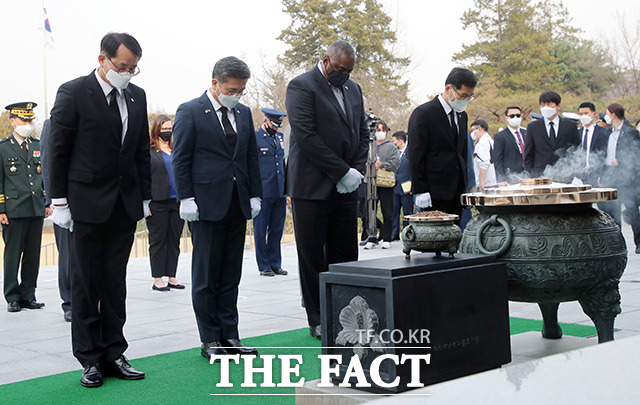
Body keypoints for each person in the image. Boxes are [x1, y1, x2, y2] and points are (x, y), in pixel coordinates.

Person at [49, 32, 150, 388]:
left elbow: (140, 151)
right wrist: (58, 200)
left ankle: (114, 352)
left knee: (115, 283)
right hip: (85, 203)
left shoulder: (136, 95)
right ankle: (89, 358)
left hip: (124, 204)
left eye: (133, 68)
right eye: (123, 66)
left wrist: (146, 197)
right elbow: (56, 149)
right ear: (103, 59)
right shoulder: (74, 92)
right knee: (86, 284)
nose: (127, 73)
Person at [172, 56, 261, 360]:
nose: (236, 95)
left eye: (241, 90)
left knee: (230, 274)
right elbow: (181, 158)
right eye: (232, 89)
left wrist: (255, 194)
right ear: (215, 83)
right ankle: (209, 337)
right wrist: (185, 198)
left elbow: (250, 157)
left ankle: (230, 335)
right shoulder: (191, 111)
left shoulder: (244, 113)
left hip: (237, 202)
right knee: (207, 275)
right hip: (205, 205)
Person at [286, 40, 369, 340]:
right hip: (311, 186)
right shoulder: (302, 86)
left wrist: (355, 170)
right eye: (339, 69)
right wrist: (340, 171)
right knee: (312, 256)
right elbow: (306, 136)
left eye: (348, 70)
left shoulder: (353, 89)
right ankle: (318, 316)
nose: (343, 75)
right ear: (326, 61)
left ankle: (348, 313)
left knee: (346, 253)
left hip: (346, 186)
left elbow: (362, 132)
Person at [408, 67, 477, 219]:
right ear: (448, 89)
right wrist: (420, 189)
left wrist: (465, 186)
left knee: (454, 236)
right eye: (463, 95)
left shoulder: (462, 115)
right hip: (433, 190)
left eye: (470, 97)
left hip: (457, 190)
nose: (465, 100)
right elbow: (415, 153)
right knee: (434, 239)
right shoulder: (424, 113)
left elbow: (462, 153)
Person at [1, 102, 48, 313]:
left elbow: (43, 176)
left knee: (32, 255)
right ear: (13, 121)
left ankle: (28, 294)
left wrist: (46, 201)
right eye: (23, 120)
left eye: (30, 120)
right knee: (13, 254)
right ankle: (12, 296)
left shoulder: (37, 145)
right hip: (14, 209)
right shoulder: (3, 147)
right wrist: (1, 208)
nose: (28, 124)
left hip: (35, 207)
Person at [147, 115, 185, 291]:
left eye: (170, 129)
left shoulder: (175, 149)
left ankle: (172, 276)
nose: (167, 132)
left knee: (173, 240)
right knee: (158, 241)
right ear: (156, 130)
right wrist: (145, 203)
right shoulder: (150, 151)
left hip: (176, 201)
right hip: (157, 202)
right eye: (164, 129)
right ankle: (157, 278)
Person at [40, 119, 72, 322]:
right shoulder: (53, 124)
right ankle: (69, 303)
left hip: (93, 201)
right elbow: (47, 163)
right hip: (65, 201)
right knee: (68, 257)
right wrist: (54, 201)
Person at [599, 103, 640, 253]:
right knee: (613, 210)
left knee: (632, 209)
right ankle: (617, 243)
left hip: (627, 177)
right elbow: (605, 156)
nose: (606, 116)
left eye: (607, 113)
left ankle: (639, 242)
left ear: (614, 114)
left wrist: (621, 161)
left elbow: (636, 155)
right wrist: (602, 176)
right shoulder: (608, 133)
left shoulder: (630, 132)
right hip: (611, 175)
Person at [253, 108, 289, 277]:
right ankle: (263, 265)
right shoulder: (255, 138)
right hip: (263, 191)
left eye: (278, 126)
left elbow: (282, 163)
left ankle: (275, 263)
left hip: (279, 190)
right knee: (261, 230)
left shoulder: (280, 138)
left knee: (276, 230)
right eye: (273, 125)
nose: (275, 129)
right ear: (265, 121)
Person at [524, 91, 581, 177]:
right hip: (540, 175)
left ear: (558, 106)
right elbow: (529, 154)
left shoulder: (570, 125)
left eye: (549, 104)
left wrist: (574, 172)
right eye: (543, 105)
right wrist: (531, 175)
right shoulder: (533, 127)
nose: (546, 108)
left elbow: (576, 150)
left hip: (565, 173)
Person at [364, 121, 400, 249]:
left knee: (387, 211)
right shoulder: (369, 145)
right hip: (370, 181)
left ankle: (387, 238)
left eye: (382, 129)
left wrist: (382, 164)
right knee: (370, 210)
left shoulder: (391, 146)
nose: (379, 132)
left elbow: (396, 163)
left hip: (385, 183)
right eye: (377, 129)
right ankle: (372, 237)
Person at [577, 102, 608, 185]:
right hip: (579, 176)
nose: (583, 116)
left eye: (586, 113)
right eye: (581, 114)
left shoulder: (604, 132)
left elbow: (606, 154)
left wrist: (604, 175)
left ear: (593, 114)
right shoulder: (576, 133)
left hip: (597, 176)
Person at [493, 106, 527, 182]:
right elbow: (497, 160)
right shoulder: (500, 136)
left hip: (528, 175)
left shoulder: (527, 133)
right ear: (506, 118)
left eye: (518, 115)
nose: (515, 118)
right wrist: (501, 179)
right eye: (512, 116)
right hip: (510, 177)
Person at [391, 131, 413, 240]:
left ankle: (407, 232)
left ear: (400, 141)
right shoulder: (395, 153)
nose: (394, 143)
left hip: (406, 186)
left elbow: (415, 170)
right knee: (394, 210)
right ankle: (394, 233)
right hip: (395, 186)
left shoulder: (410, 152)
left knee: (407, 211)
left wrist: (413, 185)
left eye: (395, 141)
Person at [470, 120, 497, 190]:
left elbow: (483, 163)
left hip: (486, 184)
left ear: (479, 129)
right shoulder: (490, 140)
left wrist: (481, 181)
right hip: (492, 181)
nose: (472, 133)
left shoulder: (482, 143)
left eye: (473, 130)